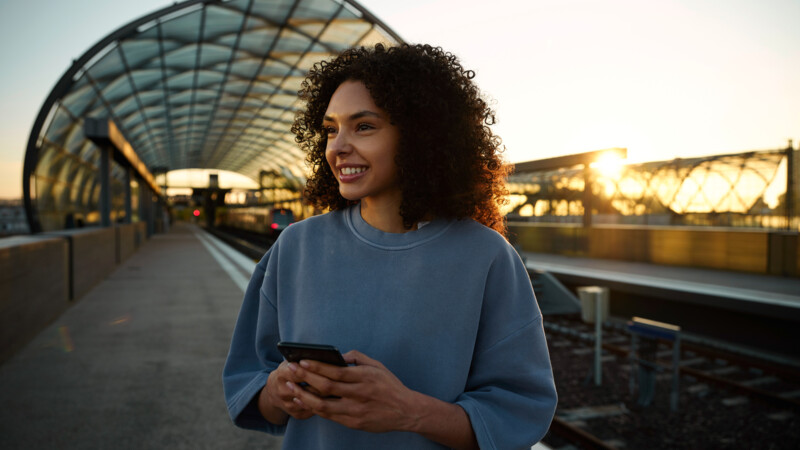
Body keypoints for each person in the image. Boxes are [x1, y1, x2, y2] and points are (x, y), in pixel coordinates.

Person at [223, 43, 557, 449]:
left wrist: (409, 411)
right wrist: (279, 389)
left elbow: (519, 412)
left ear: (420, 137)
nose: (338, 146)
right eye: (331, 129)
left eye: (363, 126)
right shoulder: (295, 246)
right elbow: (250, 388)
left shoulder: (487, 257)